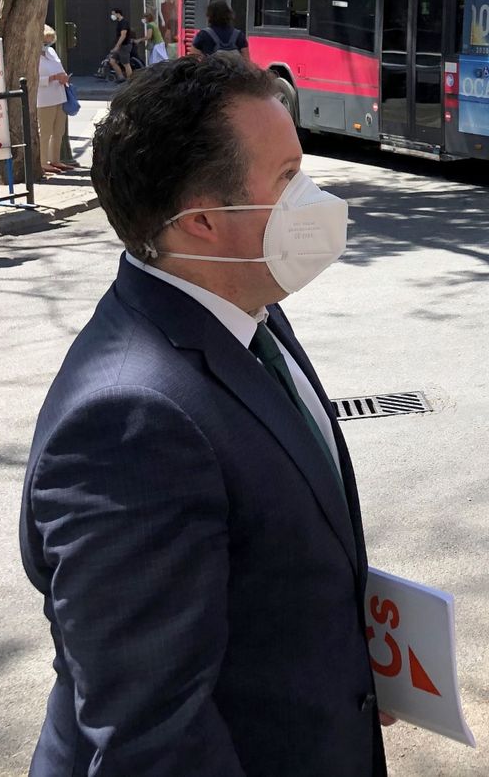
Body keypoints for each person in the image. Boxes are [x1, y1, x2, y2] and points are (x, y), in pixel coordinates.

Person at [20, 56, 387, 776]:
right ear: (205, 221)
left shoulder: (249, 308)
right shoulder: (130, 423)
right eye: (285, 180)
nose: (312, 198)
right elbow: (151, 737)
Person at [37, 24, 76, 175]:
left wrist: (63, 76)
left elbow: (59, 68)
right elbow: (34, 79)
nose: (47, 44)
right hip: (44, 99)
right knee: (45, 131)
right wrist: (52, 78)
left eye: (49, 41)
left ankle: (55, 159)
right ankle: (43, 162)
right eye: (45, 41)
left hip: (59, 95)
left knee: (58, 130)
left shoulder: (51, 52)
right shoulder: (33, 55)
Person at [105, 7, 134, 81]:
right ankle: (121, 77)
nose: (112, 16)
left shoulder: (124, 22)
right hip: (120, 46)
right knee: (112, 61)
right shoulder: (119, 23)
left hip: (125, 46)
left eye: (113, 14)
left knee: (126, 64)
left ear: (118, 14)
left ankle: (130, 81)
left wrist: (117, 46)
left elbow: (123, 35)